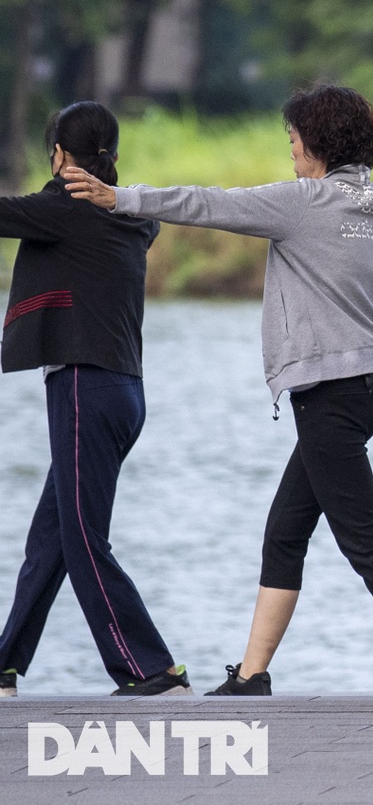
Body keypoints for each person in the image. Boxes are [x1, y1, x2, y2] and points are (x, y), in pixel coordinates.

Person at [64, 84, 373, 698]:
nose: (289, 152)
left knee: (363, 536)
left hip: (329, 396)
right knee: (285, 533)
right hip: (368, 393)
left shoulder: (302, 203)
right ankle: (253, 674)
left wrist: (118, 198)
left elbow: (205, 203)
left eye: (292, 141)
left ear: (315, 144)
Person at [0, 103, 189, 698]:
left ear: (58, 154)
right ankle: (5, 663)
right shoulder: (132, 213)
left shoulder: (67, 209)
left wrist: (66, 186)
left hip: (84, 386)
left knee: (82, 538)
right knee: (52, 537)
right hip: (123, 391)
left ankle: (150, 668)